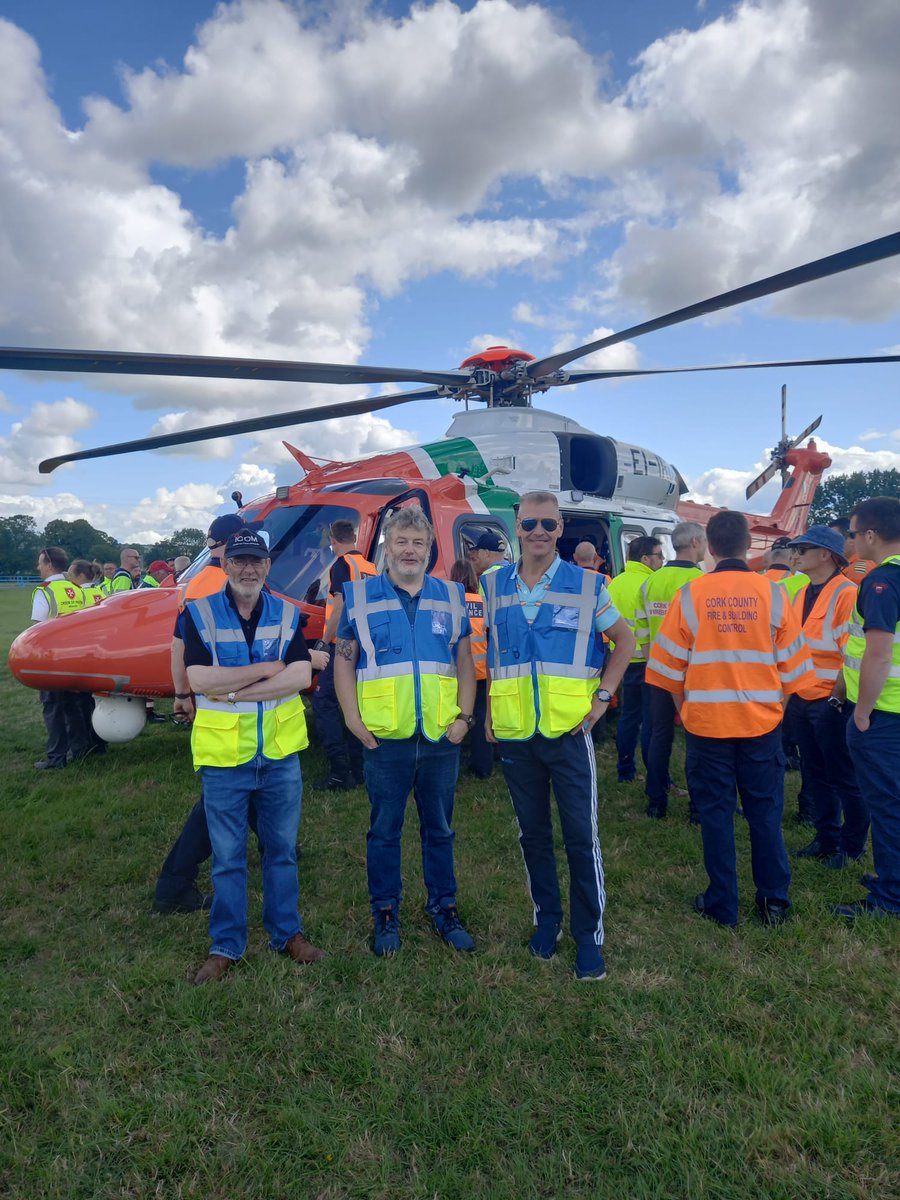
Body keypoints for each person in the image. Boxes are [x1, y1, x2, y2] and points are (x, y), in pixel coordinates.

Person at [482, 491, 635, 981]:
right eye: (530, 524)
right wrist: (488, 709)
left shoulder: (589, 585)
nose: (539, 532)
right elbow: (492, 650)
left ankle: (589, 935)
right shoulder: (492, 585)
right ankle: (546, 921)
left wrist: (605, 694)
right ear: (517, 527)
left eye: (549, 524)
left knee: (579, 836)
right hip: (515, 731)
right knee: (533, 835)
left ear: (561, 528)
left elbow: (626, 640)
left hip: (569, 730)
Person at [646, 510, 814, 927]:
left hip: (706, 726)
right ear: (746, 545)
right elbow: (794, 674)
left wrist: (687, 709)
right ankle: (774, 901)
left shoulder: (691, 596)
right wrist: (776, 713)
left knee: (717, 816)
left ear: (712, 548)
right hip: (761, 725)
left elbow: (667, 671)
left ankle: (723, 903)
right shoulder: (775, 596)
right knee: (765, 814)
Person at [334, 505, 477, 957]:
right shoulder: (358, 596)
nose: (409, 550)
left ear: (430, 549)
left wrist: (464, 718)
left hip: (439, 738)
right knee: (384, 830)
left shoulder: (452, 595)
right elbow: (344, 659)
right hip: (384, 739)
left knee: (440, 829)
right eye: (401, 542)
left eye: (418, 542)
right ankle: (385, 912)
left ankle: (444, 907)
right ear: (387, 548)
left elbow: (465, 661)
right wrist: (352, 721)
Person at [183, 527, 324, 984]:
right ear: (226, 564)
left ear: (267, 566)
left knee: (281, 851)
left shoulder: (287, 612)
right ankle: (226, 945)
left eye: (256, 561)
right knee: (227, 858)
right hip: (225, 759)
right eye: (240, 560)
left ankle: (287, 934)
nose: (248, 568)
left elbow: (301, 674)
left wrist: (236, 687)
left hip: (280, 755)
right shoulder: (198, 612)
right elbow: (200, 679)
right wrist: (266, 669)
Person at [153, 513, 261, 914]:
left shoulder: (201, 582)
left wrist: (182, 691)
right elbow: (186, 643)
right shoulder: (218, 584)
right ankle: (173, 883)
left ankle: (277, 847)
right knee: (219, 799)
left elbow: (177, 643)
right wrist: (184, 691)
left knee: (251, 783)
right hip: (228, 704)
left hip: (226, 702)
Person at [785, 526, 869, 870]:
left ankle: (851, 848)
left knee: (843, 777)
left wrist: (836, 701)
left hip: (830, 701)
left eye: (802, 549)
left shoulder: (847, 593)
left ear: (826, 555)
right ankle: (825, 839)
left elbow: (852, 655)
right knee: (815, 772)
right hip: (803, 698)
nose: (795, 554)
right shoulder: (801, 593)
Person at [832, 497, 900, 919]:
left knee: (888, 804)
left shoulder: (881, 583)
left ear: (871, 535)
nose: (852, 541)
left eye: (853, 533)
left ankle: (890, 896)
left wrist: (861, 713)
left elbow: (877, 654)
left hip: (884, 713)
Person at [636, 521, 706, 819]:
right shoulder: (701, 583)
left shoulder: (650, 581)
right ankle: (697, 806)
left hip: (657, 669)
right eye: (702, 540)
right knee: (696, 738)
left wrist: (653, 659)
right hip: (692, 673)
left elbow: (641, 629)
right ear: (693, 541)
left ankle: (655, 801)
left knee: (659, 733)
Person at [311, 519, 376, 790]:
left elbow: (338, 606)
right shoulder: (370, 566)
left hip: (342, 643)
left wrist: (325, 641)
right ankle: (360, 767)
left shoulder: (341, 565)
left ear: (333, 540)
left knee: (323, 701)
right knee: (357, 704)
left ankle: (340, 770)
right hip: (367, 642)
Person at [31, 546, 94, 770]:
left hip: (52, 658)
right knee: (73, 704)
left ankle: (57, 757)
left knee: (52, 707)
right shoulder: (77, 589)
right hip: (75, 656)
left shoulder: (44, 590)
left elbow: (38, 629)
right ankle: (80, 749)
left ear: (49, 564)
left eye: (40, 563)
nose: (38, 567)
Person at [606, 535, 663, 783]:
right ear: (645, 558)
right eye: (659, 555)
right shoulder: (650, 583)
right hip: (646, 660)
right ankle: (655, 775)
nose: (662, 560)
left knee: (628, 717)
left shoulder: (615, 583)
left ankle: (625, 770)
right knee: (651, 721)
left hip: (620, 660)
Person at [450, 558, 492, 778]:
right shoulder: (484, 603)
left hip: (459, 672)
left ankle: (451, 766)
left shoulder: (450, 603)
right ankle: (483, 767)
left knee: (454, 717)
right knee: (481, 717)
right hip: (483, 671)